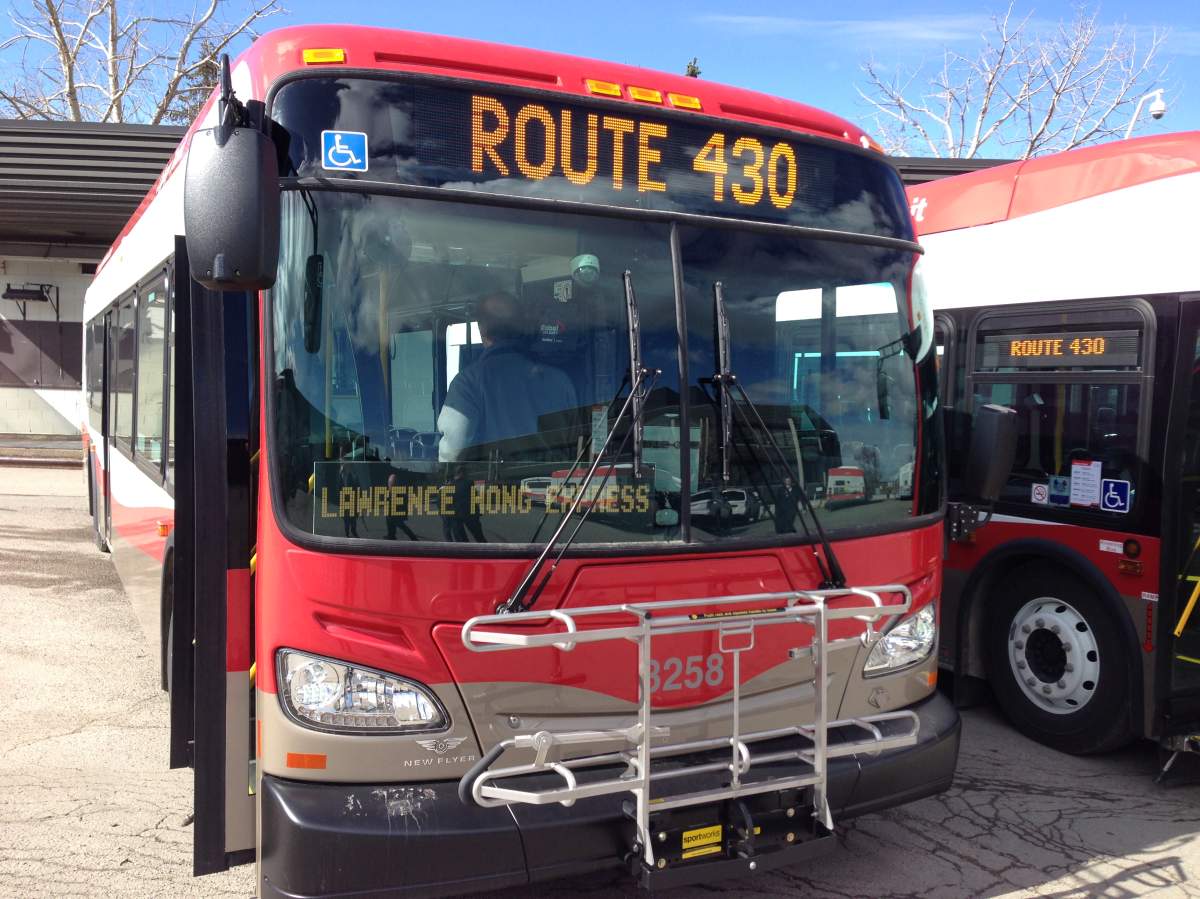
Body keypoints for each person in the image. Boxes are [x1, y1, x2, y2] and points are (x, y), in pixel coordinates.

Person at [437, 292, 577, 462]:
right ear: (520, 327)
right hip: (556, 488)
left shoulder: (468, 383)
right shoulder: (560, 382)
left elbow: (452, 454)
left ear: (481, 329)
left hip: (495, 488)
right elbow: (576, 448)